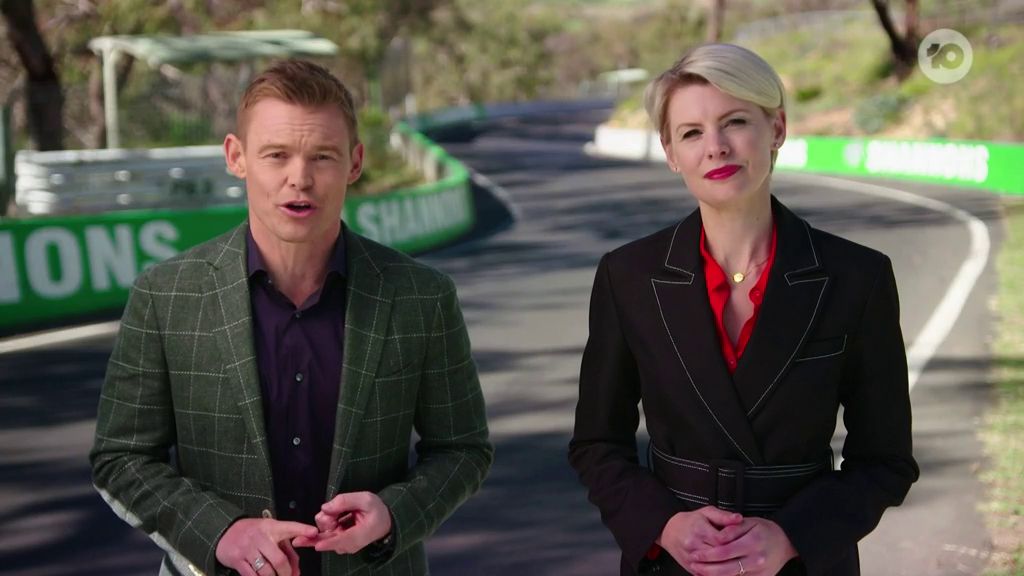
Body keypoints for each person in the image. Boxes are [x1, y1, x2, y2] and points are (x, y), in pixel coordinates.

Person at [91, 59, 493, 576]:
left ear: (354, 162)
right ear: (236, 157)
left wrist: (393, 515)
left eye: (322, 156)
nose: (299, 179)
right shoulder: (165, 295)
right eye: (276, 155)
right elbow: (121, 459)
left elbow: (463, 449)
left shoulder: (422, 296)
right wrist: (220, 533)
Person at [568, 43, 918, 576]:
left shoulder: (857, 277)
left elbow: (886, 460)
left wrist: (792, 536)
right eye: (691, 133)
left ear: (776, 128)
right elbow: (596, 444)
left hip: (803, 562)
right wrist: (664, 526)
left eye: (734, 122)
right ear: (670, 152)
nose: (715, 147)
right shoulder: (628, 276)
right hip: (673, 561)